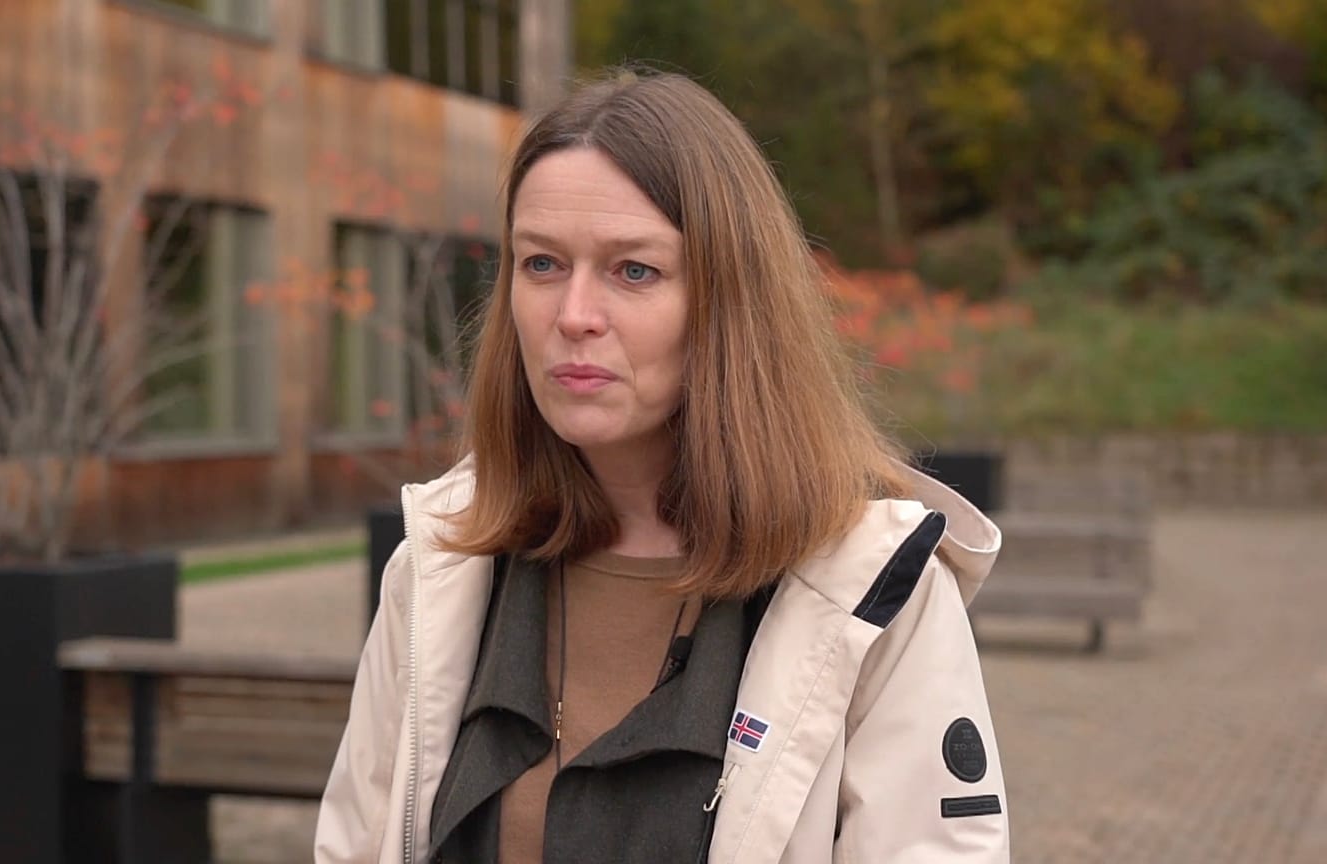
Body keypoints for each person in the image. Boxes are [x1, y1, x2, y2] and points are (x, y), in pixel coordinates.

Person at [315, 68, 1009, 864]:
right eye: (542, 264)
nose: (573, 316)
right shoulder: (442, 564)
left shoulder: (872, 590)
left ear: (729, 302)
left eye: (632, 270)